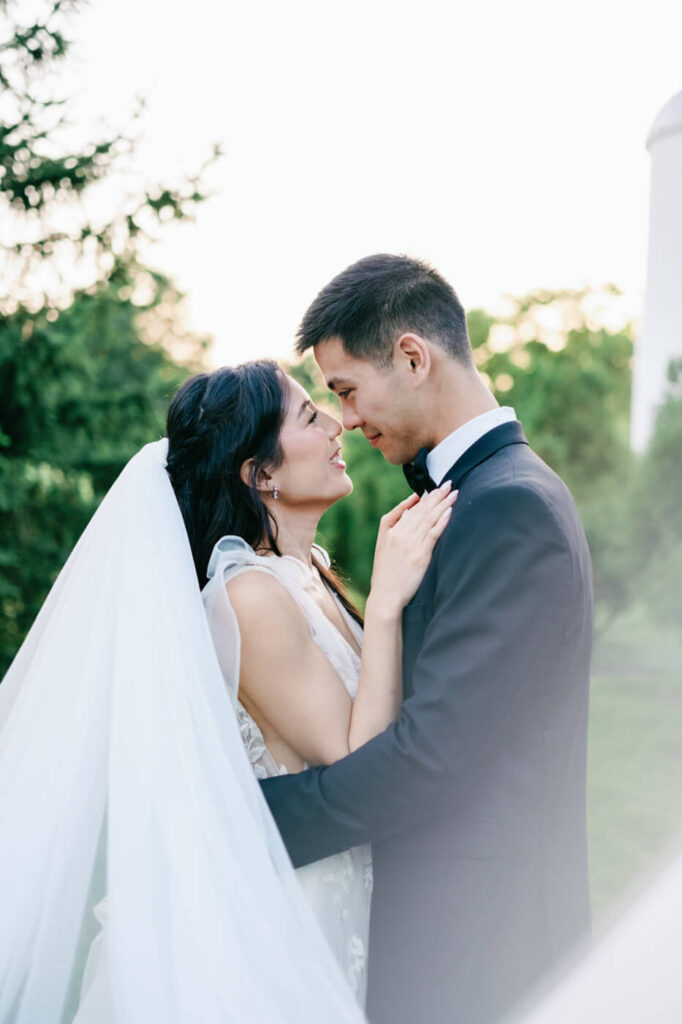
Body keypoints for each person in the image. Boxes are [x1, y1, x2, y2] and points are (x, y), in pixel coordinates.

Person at [0, 357, 452, 1024]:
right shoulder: (250, 595)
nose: (336, 424)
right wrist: (386, 604)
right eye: (307, 415)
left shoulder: (304, 579)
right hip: (283, 926)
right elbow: (356, 759)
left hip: (337, 900)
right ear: (259, 472)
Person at [259, 254, 594, 1024]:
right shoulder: (487, 495)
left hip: (479, 955)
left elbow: (431, 757)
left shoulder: (508, 510)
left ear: (412, 357)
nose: (343, 418)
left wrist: (248, 819)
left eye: (345, 389)